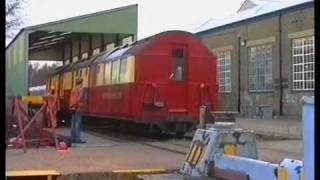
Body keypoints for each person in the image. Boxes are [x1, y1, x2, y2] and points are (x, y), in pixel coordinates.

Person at [69, 78, 86, 143]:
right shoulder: (81, 89)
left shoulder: (73, 89)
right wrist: (76, 106)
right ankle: (77, 139)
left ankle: (72, 138)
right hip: (78, 108)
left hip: (73, 108)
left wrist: (72, 106)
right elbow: (79, 99)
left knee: (73, 123)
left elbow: (71, 99)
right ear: (81, 82)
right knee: (78, 124)